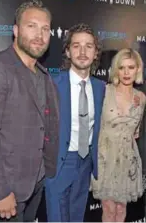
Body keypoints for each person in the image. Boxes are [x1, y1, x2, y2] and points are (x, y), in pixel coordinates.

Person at [0, 0, 59, 222]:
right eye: (31, 26)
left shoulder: (43, 74)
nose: (39, 35)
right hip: (7, 188)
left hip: (35, 182)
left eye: (45, 29)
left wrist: (45, 172)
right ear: (15, 30)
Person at [45, 23, 105, 222]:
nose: (82, 51)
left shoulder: (101, 87)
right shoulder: (52, 83)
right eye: (76, 45)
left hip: (86, 163)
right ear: (67, 51)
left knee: (77, 217)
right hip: (60, 163)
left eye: (89, 46)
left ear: (96, 53)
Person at [92, 48, 146, 222]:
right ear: (116, 70)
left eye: (131, 67)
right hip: (105, 157)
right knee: (108, 209)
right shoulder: (104, 91)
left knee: (122, 209)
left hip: (128, 158)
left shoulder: (141, 98)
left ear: (138, 69)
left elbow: (136, 132)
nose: (126, 72)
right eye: (122, 68)